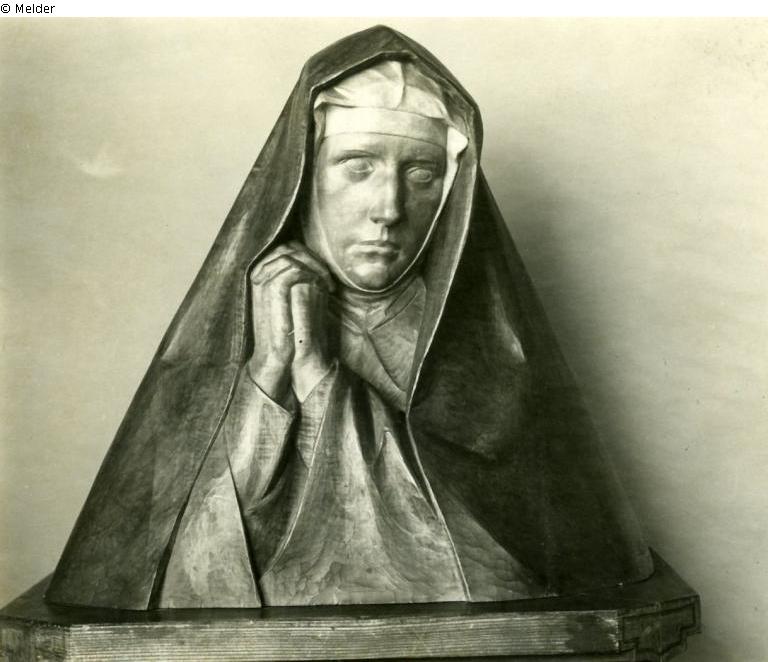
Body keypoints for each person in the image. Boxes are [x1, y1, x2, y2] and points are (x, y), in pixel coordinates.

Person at [45, 26, 653, 611]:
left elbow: (508, 575)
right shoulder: (236, 335)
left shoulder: (494, 355)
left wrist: (319, 379)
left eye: (422, 175)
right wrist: (266, 375)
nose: (389, 208)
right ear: (304, 178)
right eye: (358, 166)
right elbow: (186, 572)